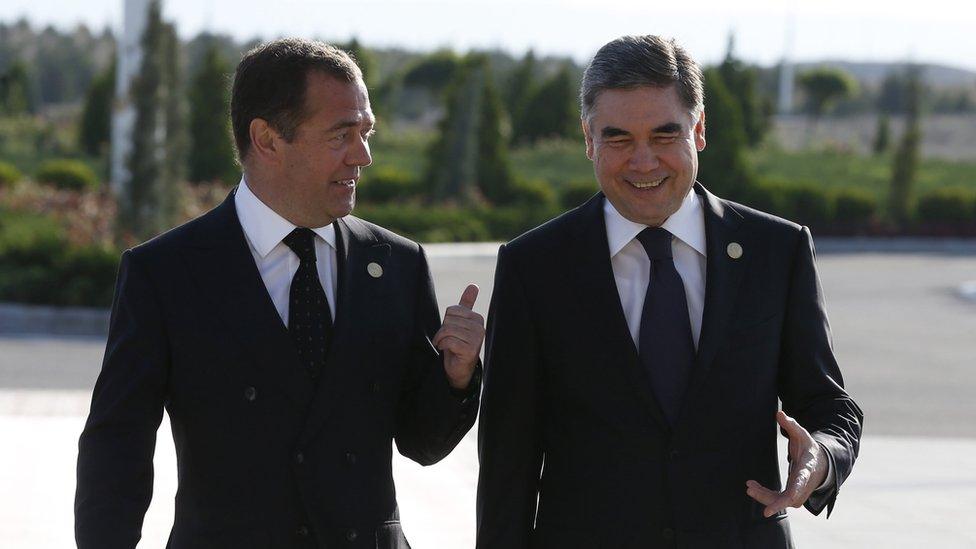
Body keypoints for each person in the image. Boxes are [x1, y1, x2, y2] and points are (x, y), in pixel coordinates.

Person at [76, 38, 484, 549]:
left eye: (366, 132)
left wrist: (456, 376)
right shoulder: (166, 273)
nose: (364, 155)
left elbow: (423, 443)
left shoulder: (396, 264)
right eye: (342, 134)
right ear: (267, 139)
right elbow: (117, 447)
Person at [476, 35, 862, 548]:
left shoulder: (777, 251)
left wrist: (821, 457)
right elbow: (508, 463)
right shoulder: (534, 267)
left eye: (664, 135)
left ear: (698, 131)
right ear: (588, 139)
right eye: (617, 139)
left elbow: (827, 405)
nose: (643, 162)